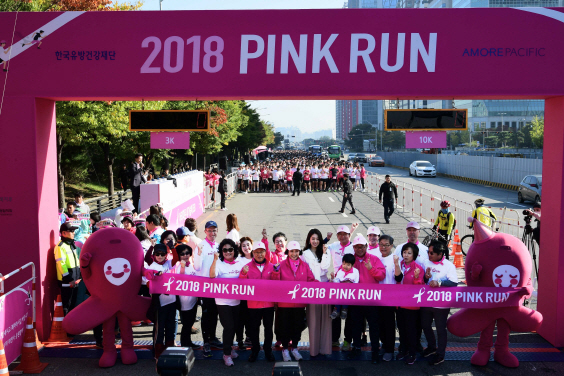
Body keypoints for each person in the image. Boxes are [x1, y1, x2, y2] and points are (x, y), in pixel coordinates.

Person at [210, 239, 251, 366]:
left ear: (234, 250)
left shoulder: (240, 263)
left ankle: (230, 348)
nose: (228, 252)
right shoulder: (219, 263)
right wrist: (215, 260)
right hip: (222, 302)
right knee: (229, 327)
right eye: (225, 250)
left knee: (234, 326)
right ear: (221, 252)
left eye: (230, 249)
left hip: (236, 301)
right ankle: (226, 354)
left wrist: (244, 273)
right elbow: (212, 276)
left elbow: (246, 279)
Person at [239, 241, 281, 362]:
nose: (259, 254)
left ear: (265, 252)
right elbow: (241, 285)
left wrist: (276, 272)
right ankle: (255, 350)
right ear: (253, 253)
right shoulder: (247, 267)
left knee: (268, 329)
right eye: (257, 252)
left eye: (261, 252)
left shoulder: (272, 266)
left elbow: (276, 284)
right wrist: (243, 274)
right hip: (253, 304)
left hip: (268, 304)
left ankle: (268, 350)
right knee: (254, 329)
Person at [347, 234, 386, 362]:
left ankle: (375, 350)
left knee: (374, 326)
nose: (359, 249)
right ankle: (356, 347)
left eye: (362, 247)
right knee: (356, 325)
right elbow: (341, 274)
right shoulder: (350, 259)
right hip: (355, 299)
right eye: (357, 247)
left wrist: (371, 269)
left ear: (366, 246)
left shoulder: (373, 259)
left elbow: (381, 276)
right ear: (353, 248)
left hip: (371, 299)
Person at [278, 241, 316, 362]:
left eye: (296, 251)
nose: (294, 254)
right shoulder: (281, 265)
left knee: (297, 326)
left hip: (299, 303)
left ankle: (294, 347)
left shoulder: (304, 265)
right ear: (287, 252)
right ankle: (285, 349)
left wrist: (325, 287)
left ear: (299, 252)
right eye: (292, 251)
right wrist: (274, 272)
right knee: (285, 327)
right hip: (284, 303)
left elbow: (311, 280)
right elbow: (274, 282)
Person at [421, 240, 459, 366]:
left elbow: (454, 283)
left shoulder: (449, 266)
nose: (429, 254)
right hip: (427, 302)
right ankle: (432, 347)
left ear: (440, 254)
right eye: (428, 252)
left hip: (442, 305)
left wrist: (440, 283)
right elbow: (422, 280)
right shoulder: (426, 262)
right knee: (425, 325)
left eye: (432, 253)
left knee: (440, 330)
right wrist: (426, 277)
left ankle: (440, 355)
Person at [193, 221, 222, 357]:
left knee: (214, 313)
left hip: (216, 288)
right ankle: (205, 342)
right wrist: (198, 254)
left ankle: (213, 338)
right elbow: (197, 268)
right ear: (205, 231)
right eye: (209, 230)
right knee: (206, 315)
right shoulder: (200, 246)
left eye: (214, 230)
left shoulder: (218, 246)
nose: (212, 233)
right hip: (204, 288)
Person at [302, 229, 333, 358]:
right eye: (312, 238)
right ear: (309, 239)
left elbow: (325, 267)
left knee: (325, 321)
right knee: (313, 321)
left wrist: (325, 254)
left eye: (317, 239)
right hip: (311, 290)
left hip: (324, 289)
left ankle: (324, 348)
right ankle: (314, 349)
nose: (315, 241)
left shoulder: (326, 251)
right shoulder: (304, 254)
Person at [394, 243, 424, 365]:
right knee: (401, 328)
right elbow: (396, 280)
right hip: (399, 304)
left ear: (414, 255)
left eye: (409, 253)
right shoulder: (399, 265)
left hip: (411, 306)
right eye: (404, 252)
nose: (406, 255)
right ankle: (403, 349)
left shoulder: (418, 268)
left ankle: (412, 353)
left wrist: (416, 278)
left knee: (411, 330)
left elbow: (420, 289)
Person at [144, 244, 175, 359]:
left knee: (170, 327)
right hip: (160, 304)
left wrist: (173, 248)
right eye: (158, 254)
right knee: (159, 329)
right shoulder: (152, 266)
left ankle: (169, 349)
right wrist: (155, 278)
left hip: (172, 301)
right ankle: (157, 352)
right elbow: (147, 284)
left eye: (163, 254)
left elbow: (176, 259)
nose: (160, 256)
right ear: (154, 255)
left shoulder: (169, 263)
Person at [376, 234, 397, 362]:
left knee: (389, 325)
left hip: (390, 298)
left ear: (391, 246)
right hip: (377, 298)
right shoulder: (376, 259)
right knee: (380, 324)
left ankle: (390, 350)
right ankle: (384, 345)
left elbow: (399, 278)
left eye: (386, 245)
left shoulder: (395, 259)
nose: (383, 247)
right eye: (381, 244)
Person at [55, 222, 81, 315]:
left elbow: (76, 261)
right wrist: (69, 279)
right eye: (71, 231)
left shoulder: (71, 244)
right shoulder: (60, 246)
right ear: (63, 233)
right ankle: (67, 328)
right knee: (67, 306)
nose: (73, 233)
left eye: (74, 231)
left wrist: (79, 276)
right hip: (67, 282)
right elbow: (61, 264)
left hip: (75, 280)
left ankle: (71, 327)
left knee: (73, 305)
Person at [236, 237, 254, 350]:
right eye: (243, 246)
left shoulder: (257, 258)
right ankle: (239, 340)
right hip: (242, 295)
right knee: (240, 319)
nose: (246, 248)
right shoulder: (238, 260)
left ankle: (249, 337)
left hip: (254, 295)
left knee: (252, 318)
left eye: (248, 245)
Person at [330, 253, 358, 320]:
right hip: (340, 291)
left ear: (352, 265)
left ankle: (344, 310)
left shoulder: (355, 272)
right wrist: (333, 278)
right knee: (338, 299)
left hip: (350, 292)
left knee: (345, 300)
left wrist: (349, 283)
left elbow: (356, 282)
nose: (345, 266)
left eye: (348, 265)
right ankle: (336, 310)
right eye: (344, 264)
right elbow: (336, 281)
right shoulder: (340, 271)